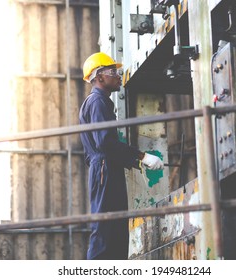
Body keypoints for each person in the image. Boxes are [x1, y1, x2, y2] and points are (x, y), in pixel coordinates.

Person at [79, 52, 164, 260]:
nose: (118, 76)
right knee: (105, 229)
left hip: (105, 167)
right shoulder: (97, 102)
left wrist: (135, 161)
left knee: (115, 229)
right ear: (99, 77)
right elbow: (106, 142)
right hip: (104, 169)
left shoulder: (99, 102)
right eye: (113, 72)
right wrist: (142, 157)